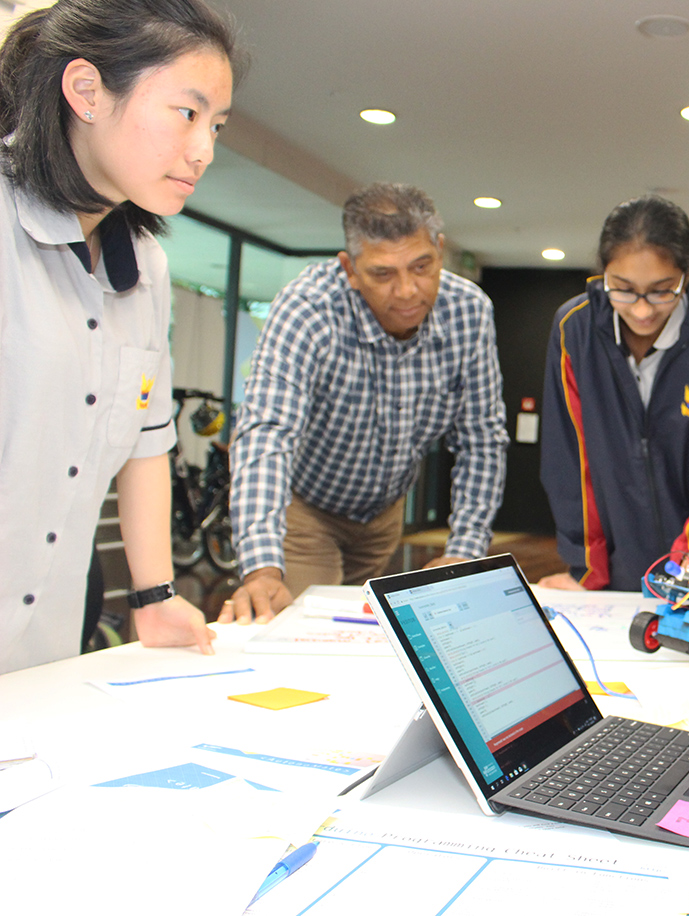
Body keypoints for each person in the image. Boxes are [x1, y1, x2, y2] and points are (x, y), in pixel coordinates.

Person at [0, 0, 243, 674]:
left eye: (217, 125)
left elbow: (147, 442)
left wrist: (156, 594)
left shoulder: (145, 269)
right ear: (86, 92)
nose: (204, 150)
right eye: (187, 114)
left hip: (40, 649)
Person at [226, 183, 508, 620]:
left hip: (384, 513)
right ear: (350, 269)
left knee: (368, 633)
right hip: (305, 508)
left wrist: (464, 551)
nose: (408, 291)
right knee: (305, 631)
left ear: (439, 249)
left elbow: (481, 439)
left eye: (421, 266)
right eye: (383, 274)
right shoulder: (308, 309)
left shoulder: (470, 311)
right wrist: (262, 568)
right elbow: (267, 432)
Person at [539, 195, 689, 592]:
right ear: (603, 275)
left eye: (662, 290)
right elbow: (569, 462)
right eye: (623, 290)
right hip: (609, 567)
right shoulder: (574, 330)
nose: (642, 311)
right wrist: (585, 569)